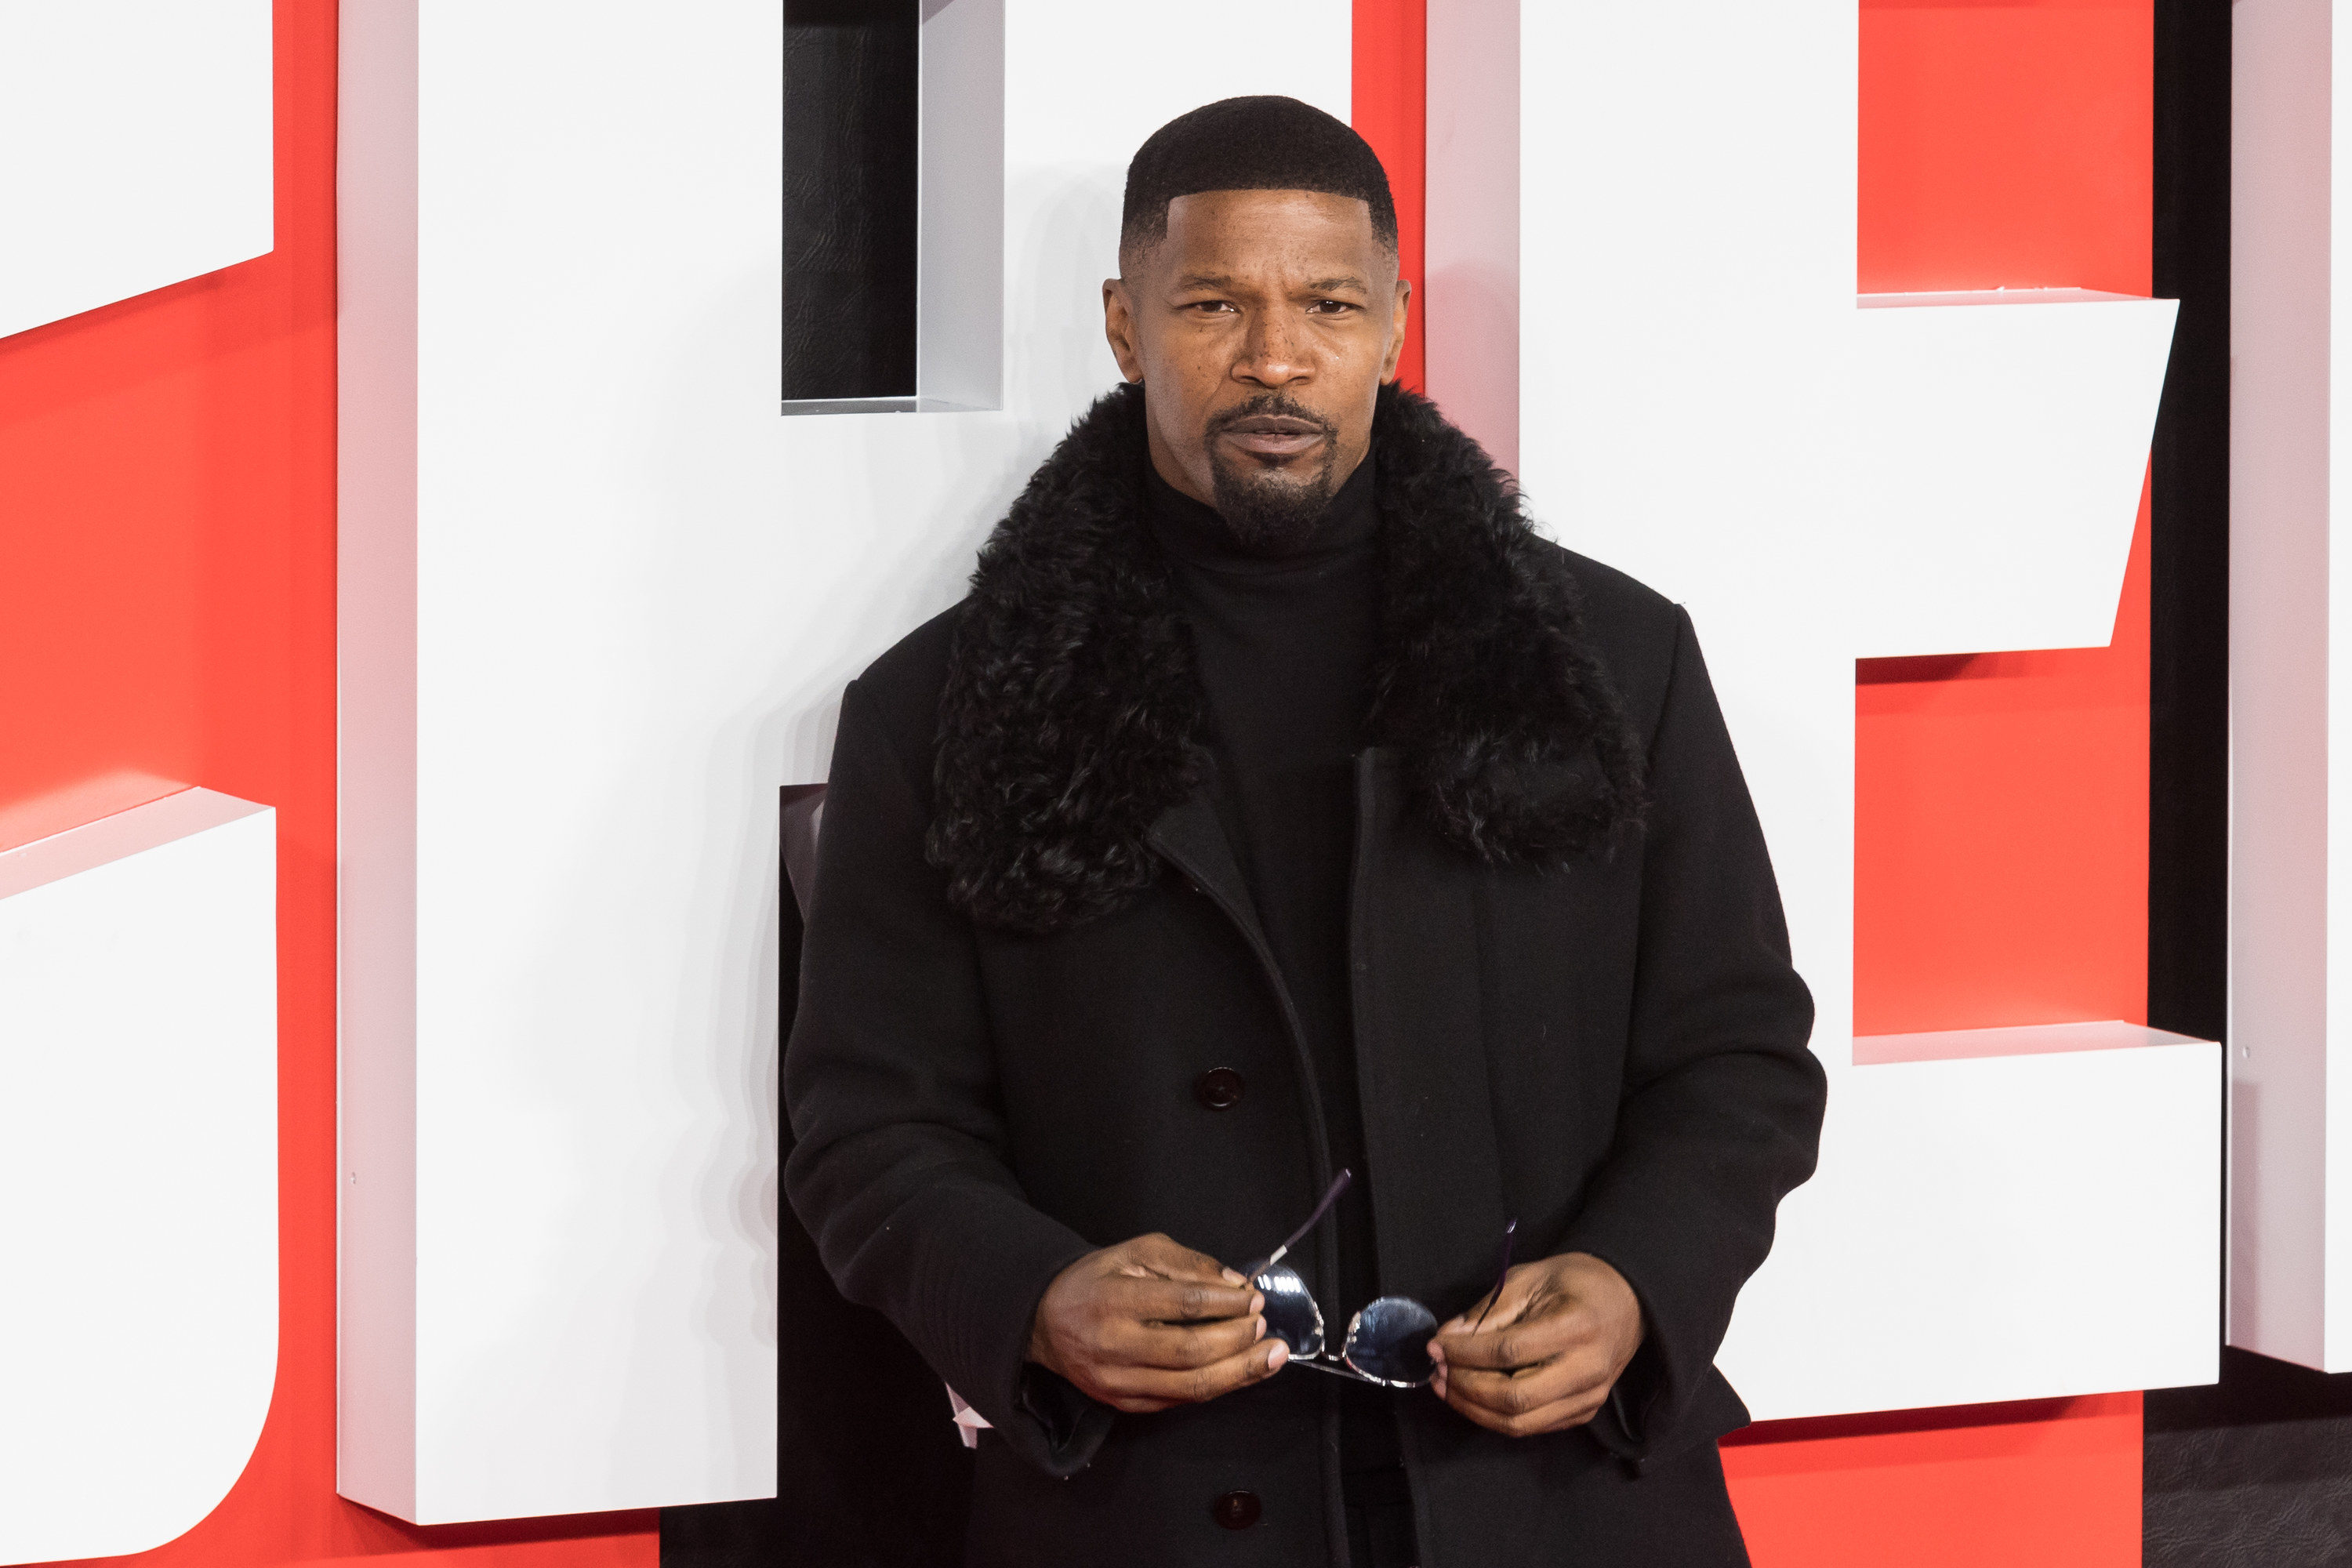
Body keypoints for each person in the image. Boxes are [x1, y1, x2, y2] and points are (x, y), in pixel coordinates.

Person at [783, 95, 1827, 1568]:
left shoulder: (1614, 657)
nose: (1275, 358)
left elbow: (1739, 1055)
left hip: (1564, 1508)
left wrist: (1636, 1281)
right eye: (1214, 303)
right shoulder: (937, 709)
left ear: (1394, 323)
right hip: (1144, 1518)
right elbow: (865, 1127)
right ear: (1124, 324)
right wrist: (1034, 1299)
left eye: (1326, 305)